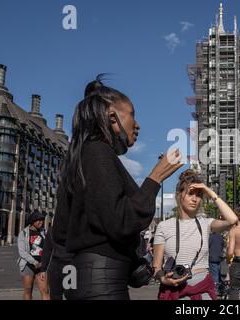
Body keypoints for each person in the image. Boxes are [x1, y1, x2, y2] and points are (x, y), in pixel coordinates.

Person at [52, 75, 182, 300]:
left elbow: (62, 232)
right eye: (132, 114)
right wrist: (155, 177)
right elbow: (121, 221)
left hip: (85, 280)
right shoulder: (96, 152)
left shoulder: (80, 156)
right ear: (112, 115)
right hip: (101, 284)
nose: (137, 124)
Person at [152, 170, 238, 300]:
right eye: (190, 193)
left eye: (199, 195)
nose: (195, 199)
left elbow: (233, 220)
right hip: (174, 291)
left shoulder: (206, 223)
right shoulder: (163, 226)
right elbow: (156, 267)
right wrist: (163, 279)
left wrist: (209, 191)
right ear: (179, 195)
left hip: (203, 289)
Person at [17, 210, 50, 300]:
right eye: (38, 220)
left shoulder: (44, 232)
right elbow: (22, 252)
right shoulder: (23, 233)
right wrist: (34, 262)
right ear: (32, 221)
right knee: (28, 290)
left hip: (42, 266)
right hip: (28, 265)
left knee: (45, 291)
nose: (41, 222)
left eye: (42, 220)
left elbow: (49, 248)